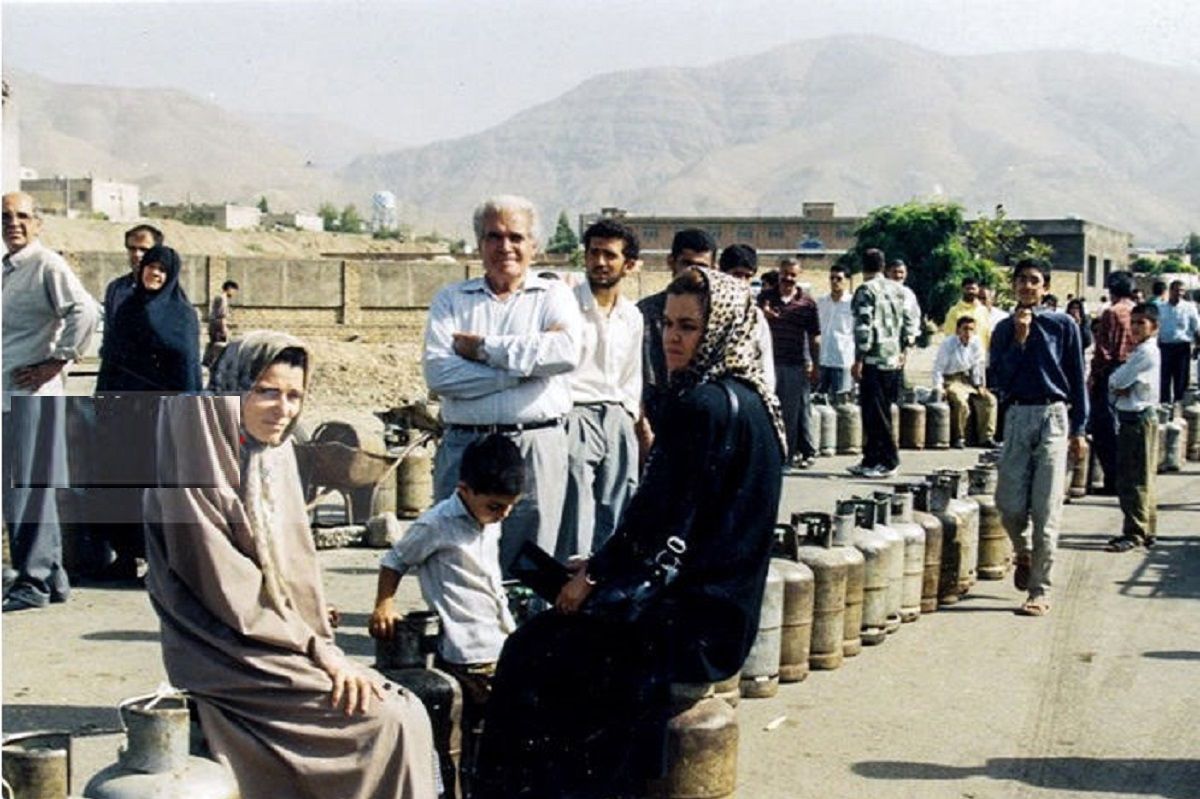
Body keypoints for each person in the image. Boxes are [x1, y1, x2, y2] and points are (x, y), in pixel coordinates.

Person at [474, 267, 786, 799]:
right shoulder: (757, 404)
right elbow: (682, 521)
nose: (672, 337)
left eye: (689, 326)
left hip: (687, 625)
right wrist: (601, 568)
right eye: (667, 323)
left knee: (532, 648)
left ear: (721, 329)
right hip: (726, 620)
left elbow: (657, 519)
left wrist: (591, 578)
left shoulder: (701, 406)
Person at [143, 331, 437, 799]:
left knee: (408, 710)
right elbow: (226, 588)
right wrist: (317, 649)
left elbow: (292, 567)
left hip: (276, 634)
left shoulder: (270, 452)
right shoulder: (195, 451)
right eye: (267, 392)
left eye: (295, 396)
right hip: (222, 645)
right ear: (235, 388)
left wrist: (318, 634)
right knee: (383, 722)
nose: (284, 410)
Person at [423, 195, 581, 572]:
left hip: (534, 447)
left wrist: (482, 349)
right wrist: (522, 369)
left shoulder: (554, 295)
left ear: (534, 246)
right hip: (465, 445)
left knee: (531, 562)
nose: (505, 247)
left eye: (516, 237)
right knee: (457, 557)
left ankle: (528, 633)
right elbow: (439, 374)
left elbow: (563, 353)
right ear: (480, 245)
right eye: (494, 236)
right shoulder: (451, 301)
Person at [370, 433, 522, 794]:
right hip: (469, 650)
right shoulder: (435, 524)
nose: (503, 515)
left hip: (499, 637)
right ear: (465, 490)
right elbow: (394, 560)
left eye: (509, 506)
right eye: (495, 506)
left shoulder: (490, 519)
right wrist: (384, 603)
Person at [2, 192, 100, 612]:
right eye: (6, 216)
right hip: (10, 396)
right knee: (27, 488)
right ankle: (52, 577)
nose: (14, 223)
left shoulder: (46, 265)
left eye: (23, 216)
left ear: (38, 223)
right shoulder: (9, 269)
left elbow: (85, 312)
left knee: (26, 489)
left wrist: (57, 360)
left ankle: (33, 582)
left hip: (32, 396)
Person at [989, 259, 1087, 617]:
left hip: (1054, 416)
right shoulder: (1002, 328)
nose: (1027, 286)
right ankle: (1023, 551)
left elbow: (1077, 377)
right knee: (1009, 504)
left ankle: (1039, 590)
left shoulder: (1064, 326)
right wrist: (1019, 339)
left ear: (1045, 287)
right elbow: (999, 377)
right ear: (1013, 286)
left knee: (1046, 509)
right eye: (1021, 281)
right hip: (1017, 415)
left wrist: (1079, 428)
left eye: (1034, 281)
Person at [559, 218, 643, 556]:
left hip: (617, 415)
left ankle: (605, 588)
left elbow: (631, 374)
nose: (600, 263)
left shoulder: (632, 315)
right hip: (574, 412)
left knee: (620, 504)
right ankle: (566, 591)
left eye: (610, 255)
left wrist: (629, 416)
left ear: (629, 264)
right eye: (594, 253)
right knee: (574, 508)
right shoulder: (565, 305)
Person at [637, 228, 716, 445]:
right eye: (686, 264)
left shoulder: (719, 318)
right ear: (671, 262)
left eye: (702, 267)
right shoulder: (645, 313)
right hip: (656, 418)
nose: (693, 272)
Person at [96, 244, 202, 393]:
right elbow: (111, 359)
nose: (155, 273)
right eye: (151, 266)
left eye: (162, 270)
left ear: (171, 276)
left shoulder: (183, 315)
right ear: (142, 268)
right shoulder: (127, 309)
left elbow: (189, 368)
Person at [849, 248, 910, 478]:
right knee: (879, 410)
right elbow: (910, 322)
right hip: (893, 359)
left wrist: (858, 359)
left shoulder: (866, 290)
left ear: (863, 267)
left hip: (874, 359)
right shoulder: (898, 289)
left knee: (876, 413)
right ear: (883, 266)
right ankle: (870, 459)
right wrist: (904, 349)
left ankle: (888, 460)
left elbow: (864, 327)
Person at [1106, 303, 1161, 553]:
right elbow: (1120, 383)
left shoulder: (1145, 353)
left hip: (1137, 418)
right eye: (1134, 322)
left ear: (1154, 327)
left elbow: (1117, 380)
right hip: (1135, 416)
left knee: (1133, 478)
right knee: (1141, 476)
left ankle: (1135, 531)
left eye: (1142, 323)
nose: (1136, 327)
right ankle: (1146, 528)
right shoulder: (1140, 351)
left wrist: (1119, 385)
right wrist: (1120, 385)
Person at [759, 255, 820, 468]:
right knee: (766, 411)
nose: (788, 279)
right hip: (768, 364)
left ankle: (787, 456)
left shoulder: (807, 303)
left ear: (799, 276)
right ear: (779, 274)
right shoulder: (764, 298)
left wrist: (815, 365)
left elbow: (814, 337)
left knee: (790, 414)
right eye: (785, 275)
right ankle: (768, 454)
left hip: (794, 364)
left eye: (793, 275)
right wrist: (763, 318)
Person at [1089, 271, 1137, 495]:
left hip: (1111, 371)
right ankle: (1127, 477)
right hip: (1133, 371)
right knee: (1125, 426)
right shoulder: (1137, 312)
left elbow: (1104, 351)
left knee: (1105, 428)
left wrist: (1094, 376)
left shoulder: (1112, 313)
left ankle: (1113, 480)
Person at [715, 244, 776, 391]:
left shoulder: (755, 317)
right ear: (721, 273)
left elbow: (765, 365)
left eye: (747, 276)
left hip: (746, 395)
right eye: (736, 274)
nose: (742, 282)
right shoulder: (705, 312)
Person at [932, 316, 997, 448]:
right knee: (960, 401)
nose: (968, 333)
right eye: (965, 329)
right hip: (950, 379)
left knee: (989, 400)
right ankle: (959, 437)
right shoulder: (948, 344)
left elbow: (978, 365)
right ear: (958, 330)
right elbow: (938, 368)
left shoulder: (976, 343)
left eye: (971, 329)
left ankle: (986, 437)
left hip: (967, 379)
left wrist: (979, 385)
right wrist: (939, 387)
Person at [102, 223, 164, 335]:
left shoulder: (167, 291)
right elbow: (109, 332)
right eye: (132, 248)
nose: (137, 254)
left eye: (144, 249)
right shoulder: (117, 289)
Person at [1154, 279, 1199, 404]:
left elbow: (1196, 327)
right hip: (1165, 347)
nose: (1179, 293)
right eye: (1177, 290)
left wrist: (1197, 346)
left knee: (1181, 380)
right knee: (1164, 379)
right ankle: (1164, 406)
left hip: (1182, 347)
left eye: (1182, 291)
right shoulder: (1160, 307)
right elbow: (1155, 327)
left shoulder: (1189, 307)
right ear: (1170, 291)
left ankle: (1179, 407)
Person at [816, 264, 855, 397]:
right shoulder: (822, 302)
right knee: (819, 402)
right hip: (823, 359)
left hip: (842, 360)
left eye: (838, 279)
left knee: (841, 403)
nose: (834, 282)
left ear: (847, 280)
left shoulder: (852, 303)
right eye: (832, 278)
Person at [943, 276, 992, 349]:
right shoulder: (954, 311)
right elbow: (950, 336)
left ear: (978, 290)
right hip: (961, 355)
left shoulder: (983, 310)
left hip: (981, 356)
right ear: (962, 289)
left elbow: (988, 334)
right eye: (968, 289)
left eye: (973, 289)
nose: (971, 291)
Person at [887, 258, 922, 353]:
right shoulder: (881, 292)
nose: (898, 275)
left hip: (901, 343)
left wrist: (912, 336)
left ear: (906, 274)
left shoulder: (909, 294)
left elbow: (914, 316)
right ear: (888, 273)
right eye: (894, 272)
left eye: (901, 272)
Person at [205, 279, 239, 368]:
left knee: (214, 345)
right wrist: (224, 329)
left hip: (213, 325)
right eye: (234, 290)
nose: (234, 293)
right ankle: (214, 365)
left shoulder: (218, 297)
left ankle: (210, 363)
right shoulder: (223, 299)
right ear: (229, 288)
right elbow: (221, 316)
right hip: (218, 327)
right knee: (220, 346)